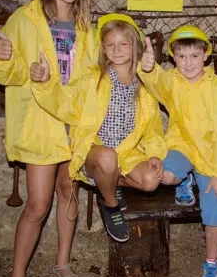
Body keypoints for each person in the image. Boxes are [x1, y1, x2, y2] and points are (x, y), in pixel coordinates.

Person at [0, 0, 98, 277]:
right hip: (41, 123)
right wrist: (6, 59)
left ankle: (62, 263)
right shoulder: (25, 19)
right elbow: (7, 72)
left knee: (69, 191)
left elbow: (91, 77)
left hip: (74, 121)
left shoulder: (85, 27)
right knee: (37, 204)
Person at [31, 13, 167, 243]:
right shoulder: (93, 80)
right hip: (95, 152)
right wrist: (45, 83)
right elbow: (64, 102)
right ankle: (110, 204)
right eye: (110, 45)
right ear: (103, 49)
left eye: (123, 44)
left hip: (127, 152)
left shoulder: (144, 86)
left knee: (151, 180)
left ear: (134, 46)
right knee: (107, 157)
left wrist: (154, 153)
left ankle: (110, 183)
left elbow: (153, 127)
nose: (117, 50)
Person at [138, 25, 217, 277]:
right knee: (166, 175)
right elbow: (157, 83)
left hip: (211, 155)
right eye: (181, 57)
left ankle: (212, 262)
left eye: (194, 56)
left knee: (216, 209)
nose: (188, 63)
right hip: (182, 146)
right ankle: (184, 178)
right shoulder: (173, 80)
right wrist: (148, 67)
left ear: (206, 55)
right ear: (173, 58)